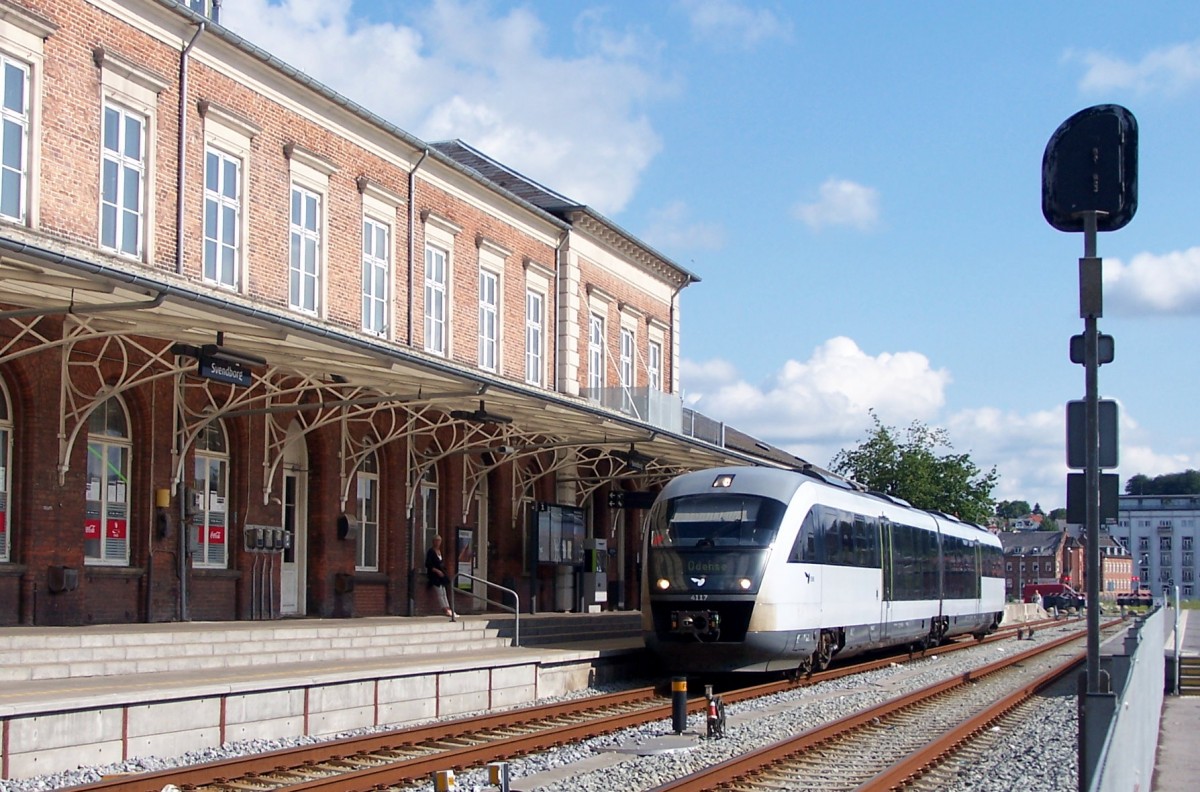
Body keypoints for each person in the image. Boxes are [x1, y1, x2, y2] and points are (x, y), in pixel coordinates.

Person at [425, 534, 455, 620]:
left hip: (441, 576)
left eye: (439, 541)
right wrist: (437, 571)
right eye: (436, 541)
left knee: (444, 592)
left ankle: (448, 607)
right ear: (433, 541)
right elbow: (428, 564)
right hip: (435, 575)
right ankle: (444, 608)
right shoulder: (431, 551)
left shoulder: (439, 551)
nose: (438, 543)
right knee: (440, 593)